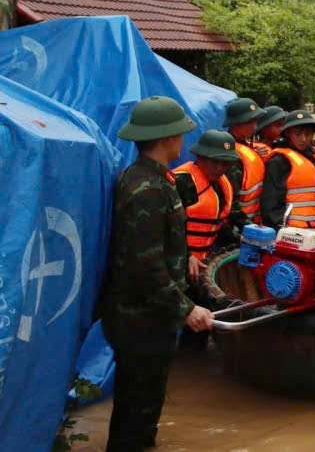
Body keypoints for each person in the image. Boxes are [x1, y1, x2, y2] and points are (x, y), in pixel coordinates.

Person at [101, 97, 213, 452]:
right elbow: (146, 265)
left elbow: (160, 249)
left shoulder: (154, 180)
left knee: (145, 406)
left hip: (150, 317)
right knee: (136, 411)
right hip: (140, 320)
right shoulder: (146, 190)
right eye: (179, 133)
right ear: (167, 138)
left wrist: (187, 259)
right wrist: (186, 308)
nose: (182, 140)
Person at [172, 129, 241, 352]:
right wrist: (186, 255)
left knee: (199, 331)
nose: (220, 168)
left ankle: (194, 360)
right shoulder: (182, 182)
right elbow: (164, 228)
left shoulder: (223, 184)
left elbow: (225, 221)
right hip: (177, 265)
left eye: (225, 164)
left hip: (201, 267)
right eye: (215, 162)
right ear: (200, 157)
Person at [261, 110, 315, 231]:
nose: (303, 139)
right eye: (298, 134)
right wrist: (283, 233)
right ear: (288, 133)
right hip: (292, 234)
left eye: (308, 134)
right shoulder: (279, 161)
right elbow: (270, 206)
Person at [223, 97, 266, 225]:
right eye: (249, 122)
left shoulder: (246, 147)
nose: (255, 126)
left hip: (251, 222)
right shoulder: (231, 154)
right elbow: (230, 200)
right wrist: (246, 226)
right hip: (238, 226)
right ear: (236, 124)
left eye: (255, 121)